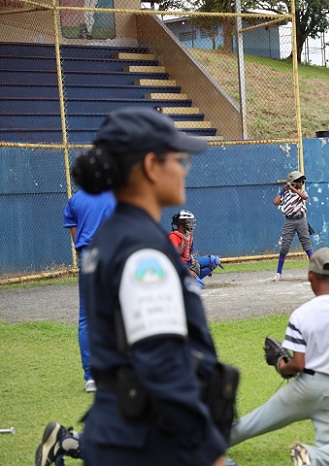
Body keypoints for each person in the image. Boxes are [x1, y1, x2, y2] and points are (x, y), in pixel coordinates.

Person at [37, 108, 234, 466]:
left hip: (121, 429)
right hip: (147, 440)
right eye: (179, 158)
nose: (184, 168)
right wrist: (210, 453)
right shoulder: (142, 250)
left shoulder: (108, 240)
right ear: (150, 166)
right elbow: (162, 363)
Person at [228, 247, 329, 466]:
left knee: (252, 423)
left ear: (309, 275)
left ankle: (203, 445)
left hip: (305, 388)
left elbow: (297, 365)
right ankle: (307, 455)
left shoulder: (301, 314)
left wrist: (280, 364)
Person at [63, 189, 116, 393]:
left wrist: (82, 252)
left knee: (86, 318)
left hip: (88, 257)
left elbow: (74, 233)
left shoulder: (75, 199)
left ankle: (91, 378)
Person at [274, 171, 314, 280]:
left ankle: (317, 272)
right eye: (300, 181)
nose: (302, 183)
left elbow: (305, 197)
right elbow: (276, 202)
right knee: (284, 247)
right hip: (289, 221)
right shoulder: (286, 195)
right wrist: (284, 190)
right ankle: (278, 273)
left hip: (301, 220)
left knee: (307, 245)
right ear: (294, 182)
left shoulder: (301, 192)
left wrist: (294, 189)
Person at [169, 210, 223, 287]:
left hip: (188, 263)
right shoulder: (174, 237)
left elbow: (190, 252)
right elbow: (172, 259)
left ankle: (193, 279)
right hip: (179, 267)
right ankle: (183, 281)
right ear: (181, 224)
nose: (190, 224)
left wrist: (194, 262)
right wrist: (187, 271)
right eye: (188, 222)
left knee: (215, 261)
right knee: (199, 285)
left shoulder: (189, 235)